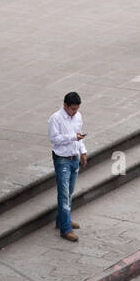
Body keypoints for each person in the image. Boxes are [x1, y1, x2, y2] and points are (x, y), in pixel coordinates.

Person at [48, 91, 87, 242]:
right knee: (63, 194)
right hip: (62, 159)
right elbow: (54, 139)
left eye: (76, 109)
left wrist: (82, 151)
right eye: (72, 109)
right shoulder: (55, 119)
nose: (75, 112)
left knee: (69, 191)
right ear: (65, 105)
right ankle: (65, 229)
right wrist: (72, 137)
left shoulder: (78, 117)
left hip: (74, 157)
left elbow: (79, 136)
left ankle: (63, 219)